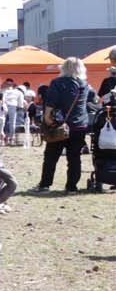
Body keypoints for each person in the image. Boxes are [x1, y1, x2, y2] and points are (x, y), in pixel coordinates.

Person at [37, 57, 95, 192]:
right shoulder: (84, 85)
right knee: (74, 157)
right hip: (79, 125)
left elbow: (51, 103)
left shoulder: (57, 82)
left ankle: (45, 184)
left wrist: (47, 119)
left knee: (51, 156)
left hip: (59, 124)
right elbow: (92, 99)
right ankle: (71, 186)